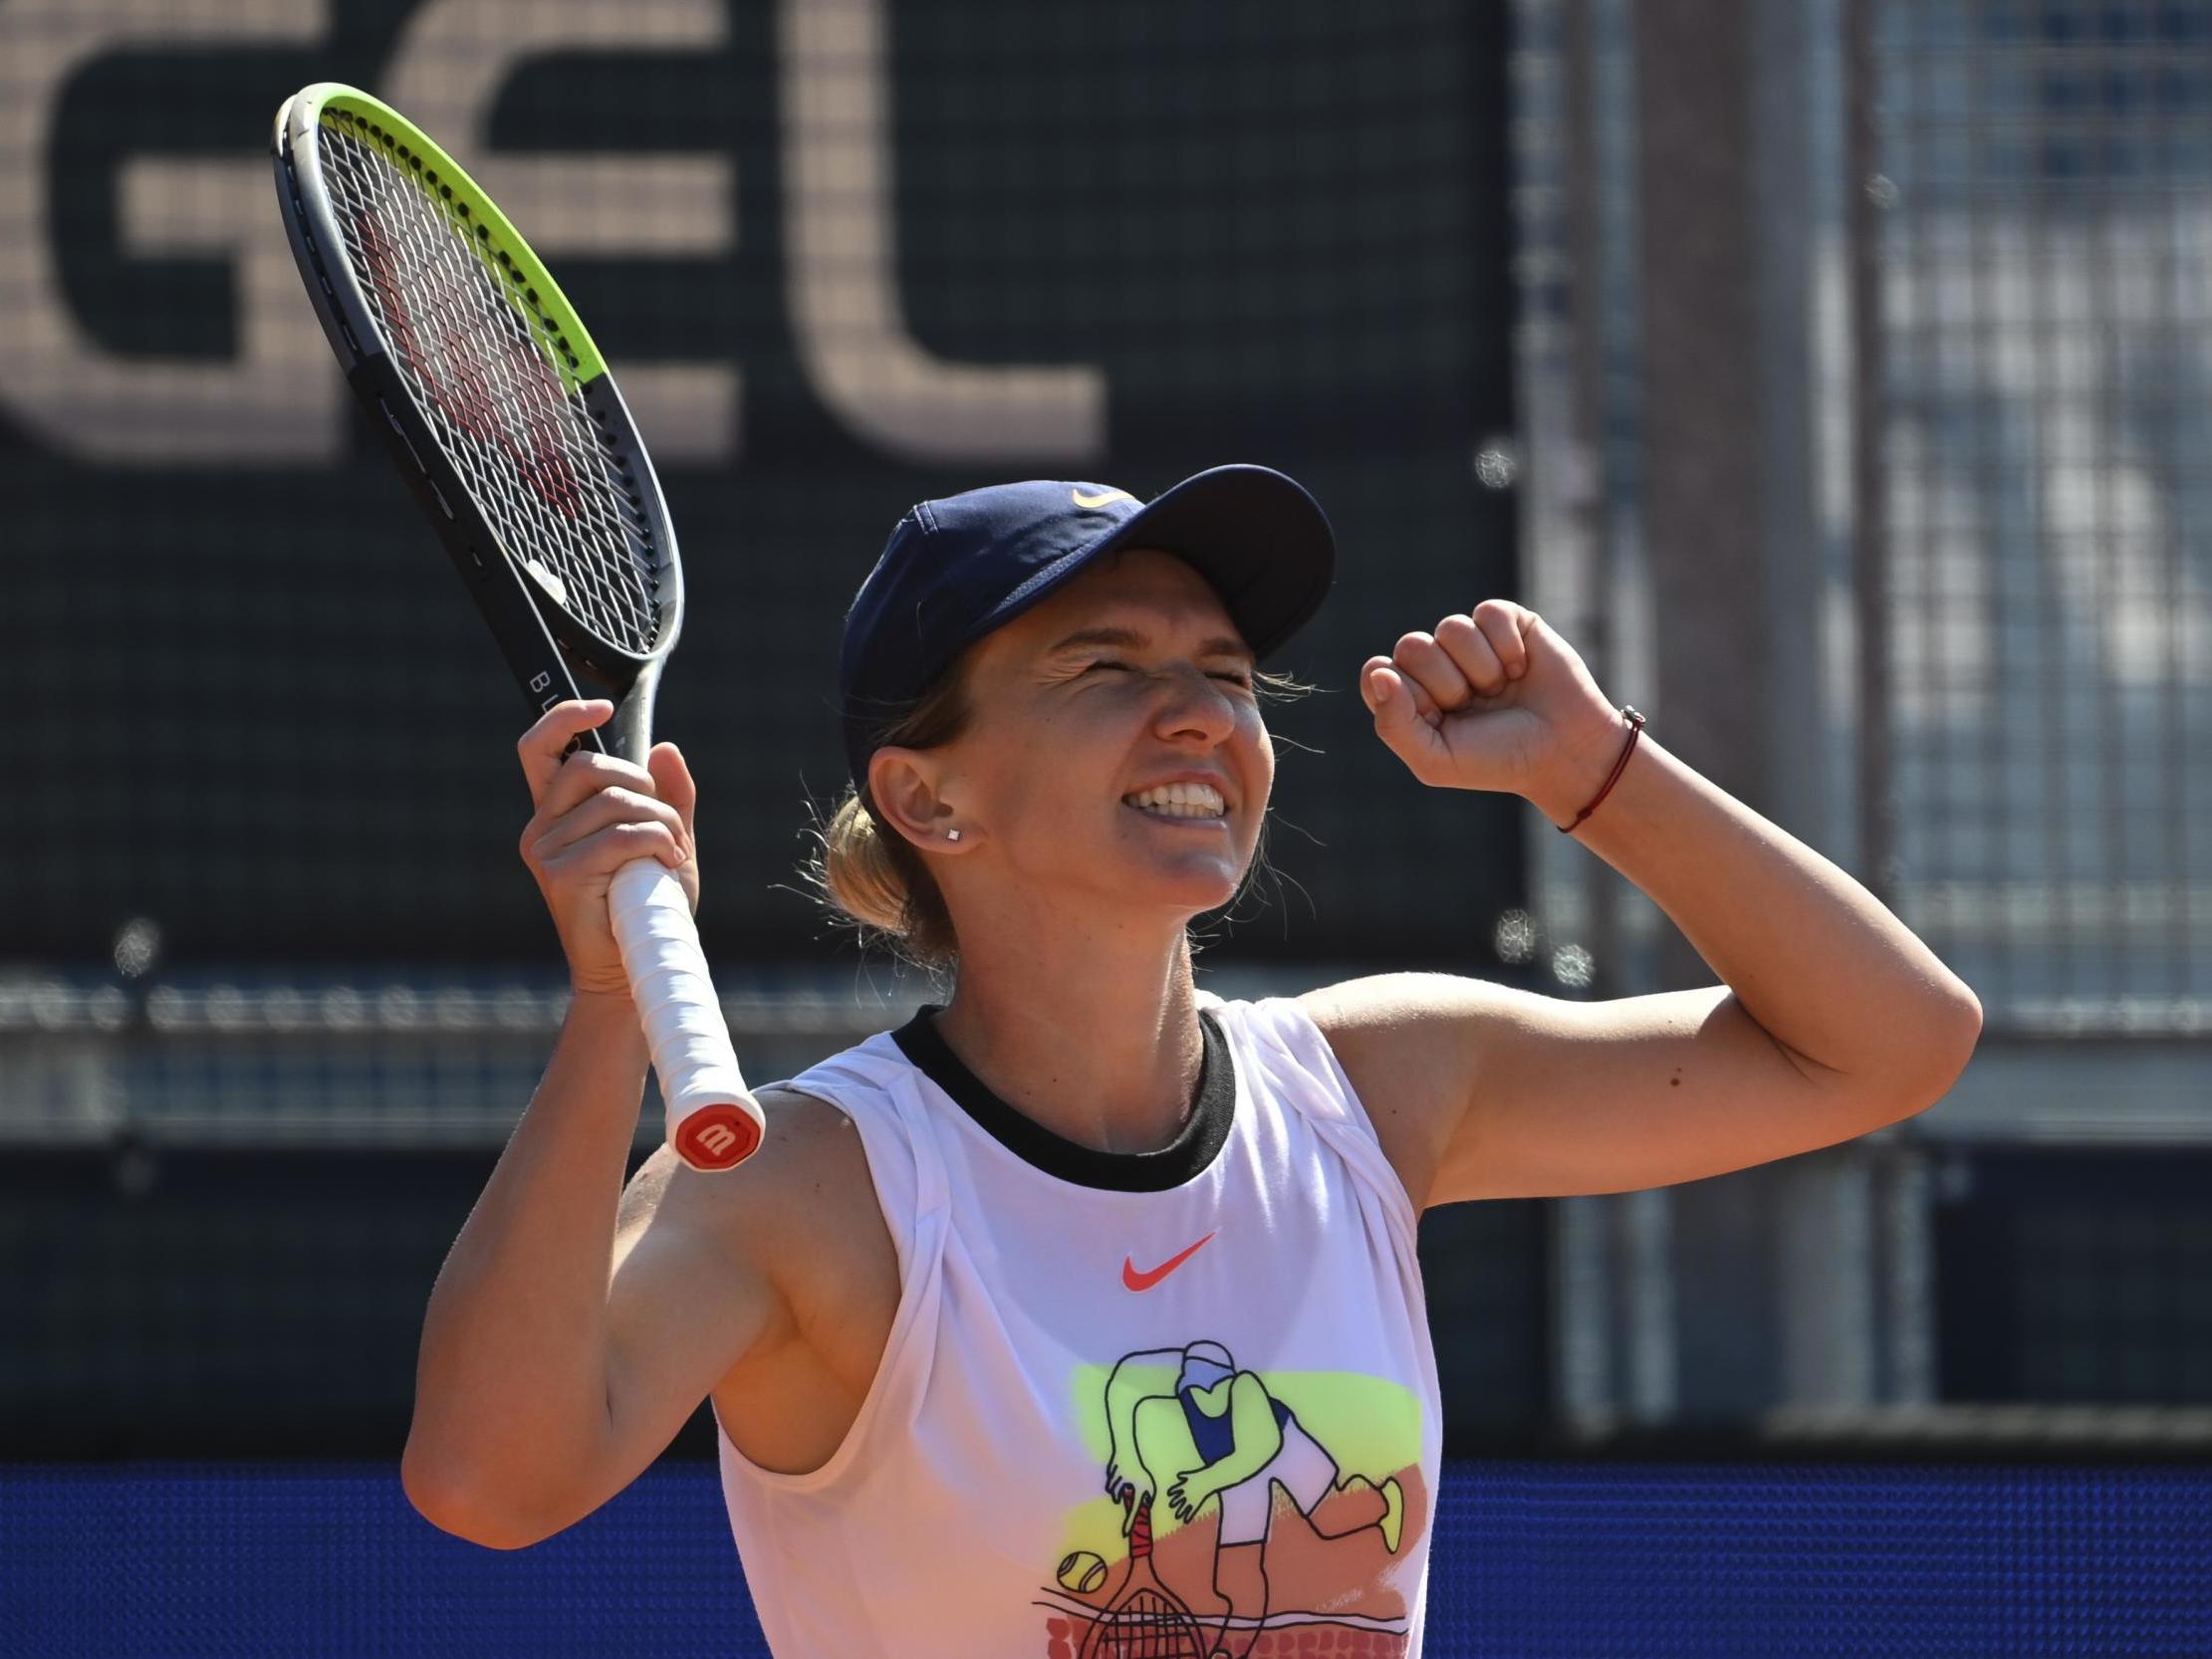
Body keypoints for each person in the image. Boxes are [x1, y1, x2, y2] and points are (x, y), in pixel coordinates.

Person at [398, 465, 1983, 1658]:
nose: (1195, 716)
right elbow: (488, 1479)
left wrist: (1599, 773)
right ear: (930, 796)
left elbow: (1894, 1044)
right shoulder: (809, 1188)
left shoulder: (1381, 1085)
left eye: (1222, 673)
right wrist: (612, 1005)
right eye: (1107, 670)